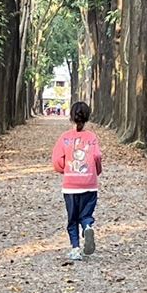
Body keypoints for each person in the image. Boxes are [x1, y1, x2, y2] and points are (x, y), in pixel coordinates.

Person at [51, 101, 102, 262]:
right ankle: (87, 226)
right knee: (86, 214)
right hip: (89, 184)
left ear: (71, 117)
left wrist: (63, 170)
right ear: (87, 117)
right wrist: (96, 171)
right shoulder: (92, 137)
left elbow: (57, 159)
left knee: (72, 219)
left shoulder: (65, 138)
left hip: (71, 186)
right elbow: (97, 157)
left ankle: (75, 249)